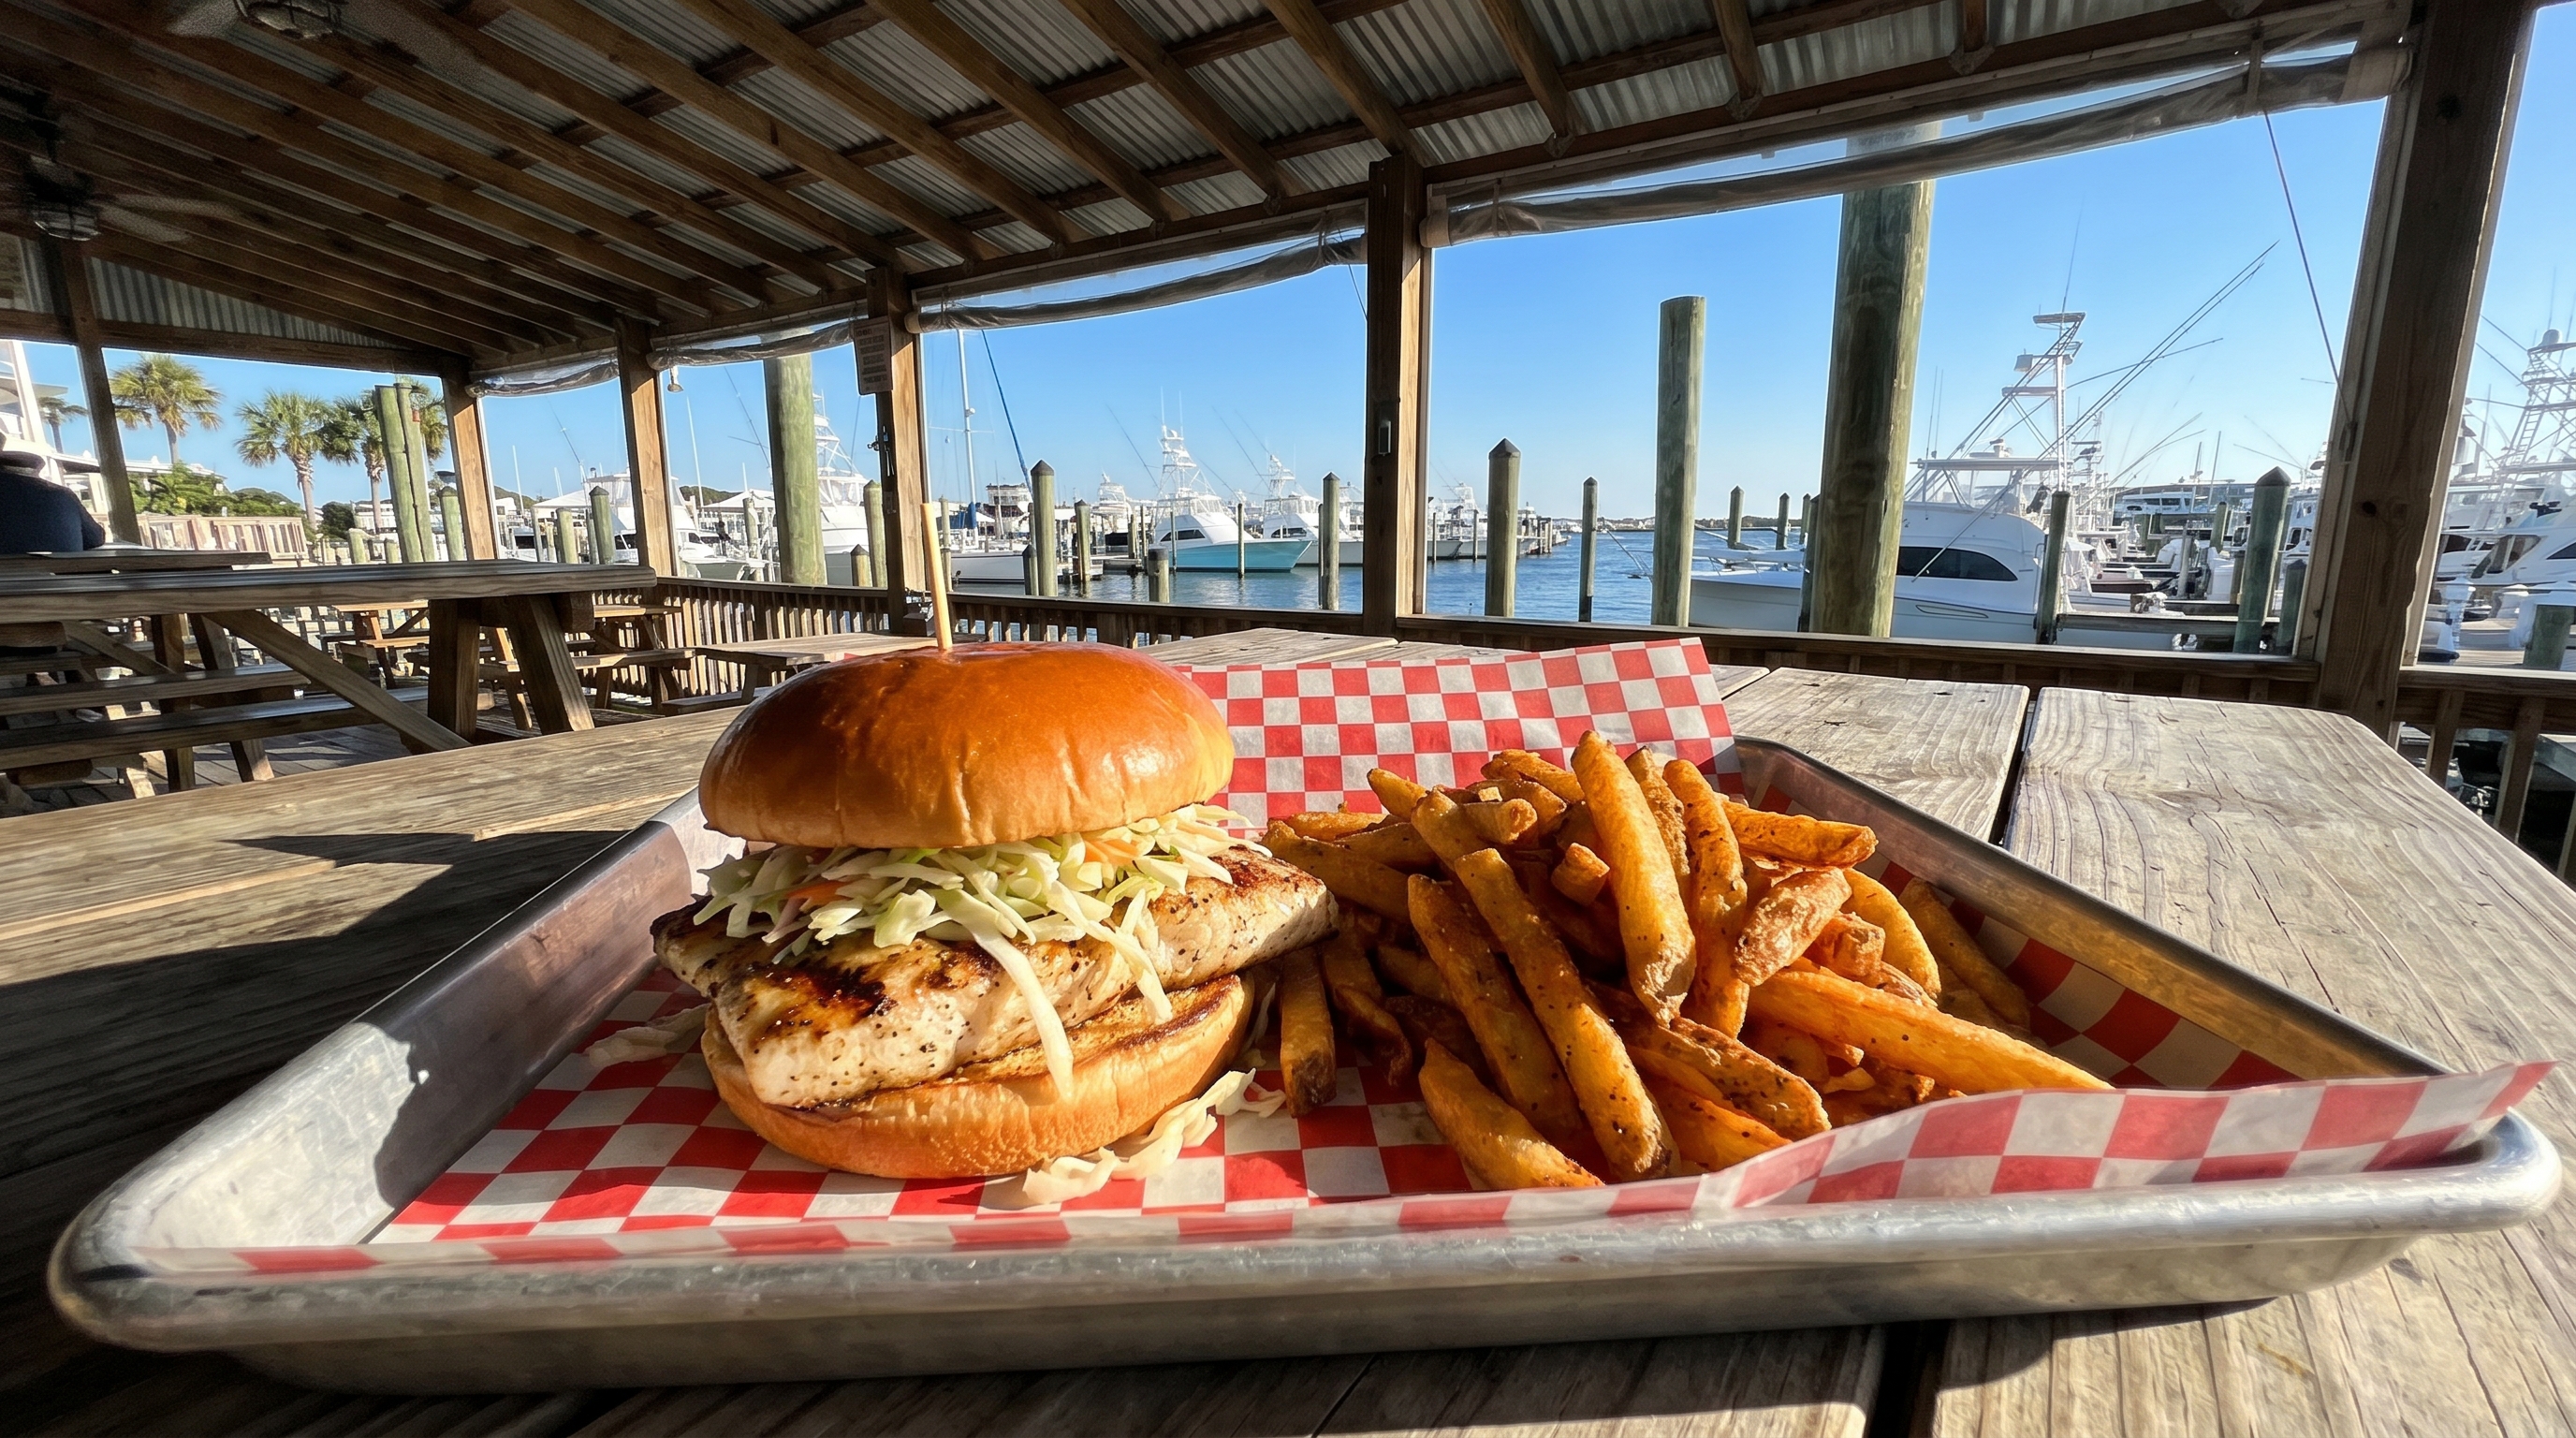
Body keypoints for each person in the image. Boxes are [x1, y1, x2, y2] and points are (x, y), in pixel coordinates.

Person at [0, 447, 106, 554]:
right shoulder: (63, 494)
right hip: (62, 568)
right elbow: (95, 539)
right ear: (36, 470)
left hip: (8, 568)